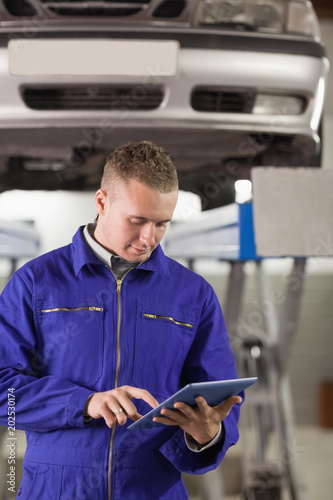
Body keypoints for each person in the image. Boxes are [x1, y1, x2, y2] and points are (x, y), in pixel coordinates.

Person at [0, 141, 242, 500]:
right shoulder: (36, 282)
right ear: (102, 202)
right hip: (56, 488)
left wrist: (207, 435)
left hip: (153, 489)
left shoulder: (193, 295)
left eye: (162, 224)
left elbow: (219, 400)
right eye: (137, 220)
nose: (149, 238)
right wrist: (84, 403)